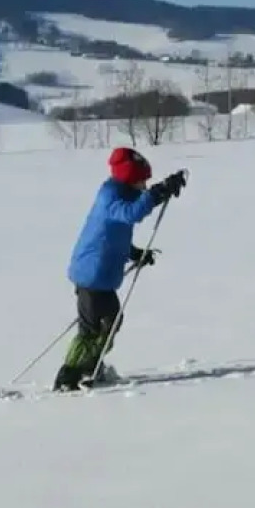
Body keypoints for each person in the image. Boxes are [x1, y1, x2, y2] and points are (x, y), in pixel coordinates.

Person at [52, 146, 187, 391]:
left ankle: (91, 366)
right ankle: (69, 374)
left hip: (100, 274)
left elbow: (113, 236)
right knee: (96, 328)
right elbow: (130, 215)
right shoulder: (111, 196)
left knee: (111, 321)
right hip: (91, 274)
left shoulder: (118, 194)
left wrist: (134, 253)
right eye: (141, 181)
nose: (144, 186)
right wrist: (157, 194)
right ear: (129, 179)